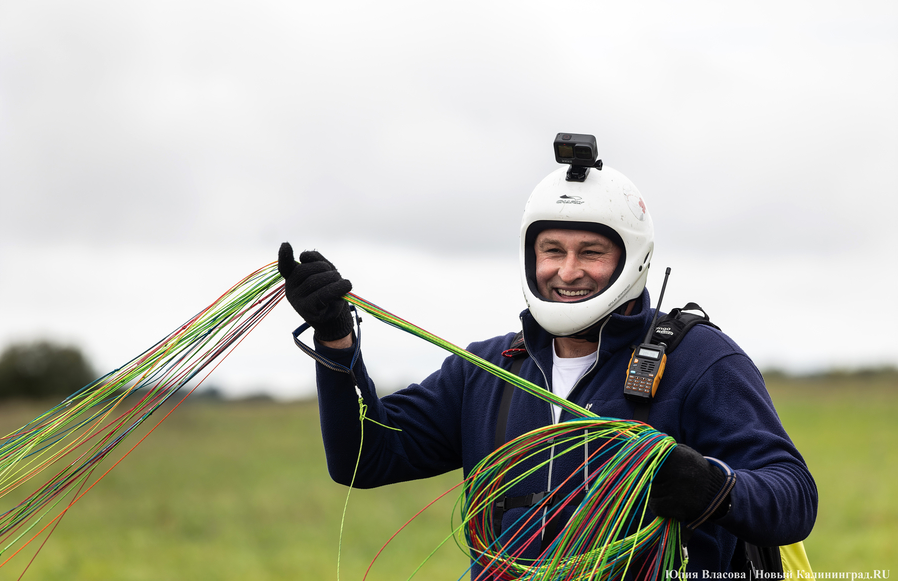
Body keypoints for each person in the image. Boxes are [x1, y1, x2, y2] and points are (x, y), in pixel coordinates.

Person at [278, 150, 817, 576]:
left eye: (591, 253)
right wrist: (336, 343)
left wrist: (709, 488)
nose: (568, 271)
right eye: (552, 250)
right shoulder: (485, 370)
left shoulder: (700, 362)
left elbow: (794, 496)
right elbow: (364, 458)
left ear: (632, 259)